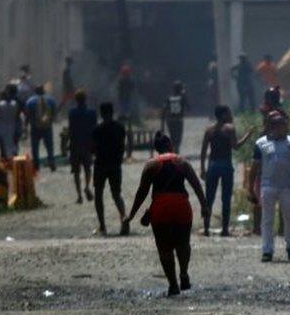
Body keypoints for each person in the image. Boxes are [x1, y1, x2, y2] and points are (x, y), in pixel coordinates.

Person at [124, 132, 208, 297]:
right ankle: (184, 273)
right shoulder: (182, 162)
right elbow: (196, 185)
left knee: (164, 248)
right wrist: (204, 206)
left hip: (160, 208)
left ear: (156, 149)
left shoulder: (151, 165)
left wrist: (131, 215)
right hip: (181, 206)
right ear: (170, 145)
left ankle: (173, 285)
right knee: (183, 243)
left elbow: (142, 192)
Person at [249, 111, 290, 262]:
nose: (281, 127)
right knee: (267, 219)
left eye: (282, 124)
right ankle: (267, 250)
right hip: (268, 186)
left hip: (287, 186)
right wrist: (250, 189)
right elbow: (254, 167)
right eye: (277, 125)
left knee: (289, 219)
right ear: (270, 126)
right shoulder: (261, 143)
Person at [200, 105, 255, 237]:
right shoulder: (229, 129)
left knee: (209, 197)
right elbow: (235, 146)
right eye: (229, 113)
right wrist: (248, 135)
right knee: (226, 198)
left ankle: (206, 228)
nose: (231, 115)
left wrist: (203, 168)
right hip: (225, 164)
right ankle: (225, 229)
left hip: (213, 165)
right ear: (224, 114)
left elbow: (203, 152)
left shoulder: (209, 130)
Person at [91, 102, 128, 235]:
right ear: (112, 112)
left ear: (101, 113)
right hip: (115, 164)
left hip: (100, 164)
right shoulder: (120, 128)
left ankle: (102, 226)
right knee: (116, 194)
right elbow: (123, 146)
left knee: (99, 195)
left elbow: (92, 148)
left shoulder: (97, 130)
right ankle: (124, 218)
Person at [68, 89, 97, 204]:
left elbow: (71, 129)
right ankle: (87, 187)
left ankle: (79, 195)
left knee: (76, 171)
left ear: (76, 100)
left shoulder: (72, 113)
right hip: (88, 144)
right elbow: (95, 129)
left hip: (75, 144)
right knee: (88, 168)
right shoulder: (92, 112)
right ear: (85, 99)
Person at [25, 85, 57, 172]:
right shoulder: (51, 100)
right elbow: (54, 113)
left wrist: (26, 125)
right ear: (43, 91)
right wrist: (50, 120)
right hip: (47, 127)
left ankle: (36, 165)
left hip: (35, 127)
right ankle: (51, 163)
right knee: (49, 146)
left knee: (35, 147)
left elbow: (27, 114)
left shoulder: (30, 101)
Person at [0, 85, 23, 159]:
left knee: (3, 146)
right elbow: (18, 115)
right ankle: (14, 161)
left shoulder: (0, 104)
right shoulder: (16, 103)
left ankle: (5, 161)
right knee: (14, 145)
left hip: (3, 127)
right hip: (13, 126)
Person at [161, 81, 188, 154]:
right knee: (178, 139)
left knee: (173, 138)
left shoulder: (169, 98)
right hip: (179, 120)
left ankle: (174, 152)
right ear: (180, 89)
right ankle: (176, 152)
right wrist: (185, 95)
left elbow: (164, 109)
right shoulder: (182, 98)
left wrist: (162, 124)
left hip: (170, 120)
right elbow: (189, 107)